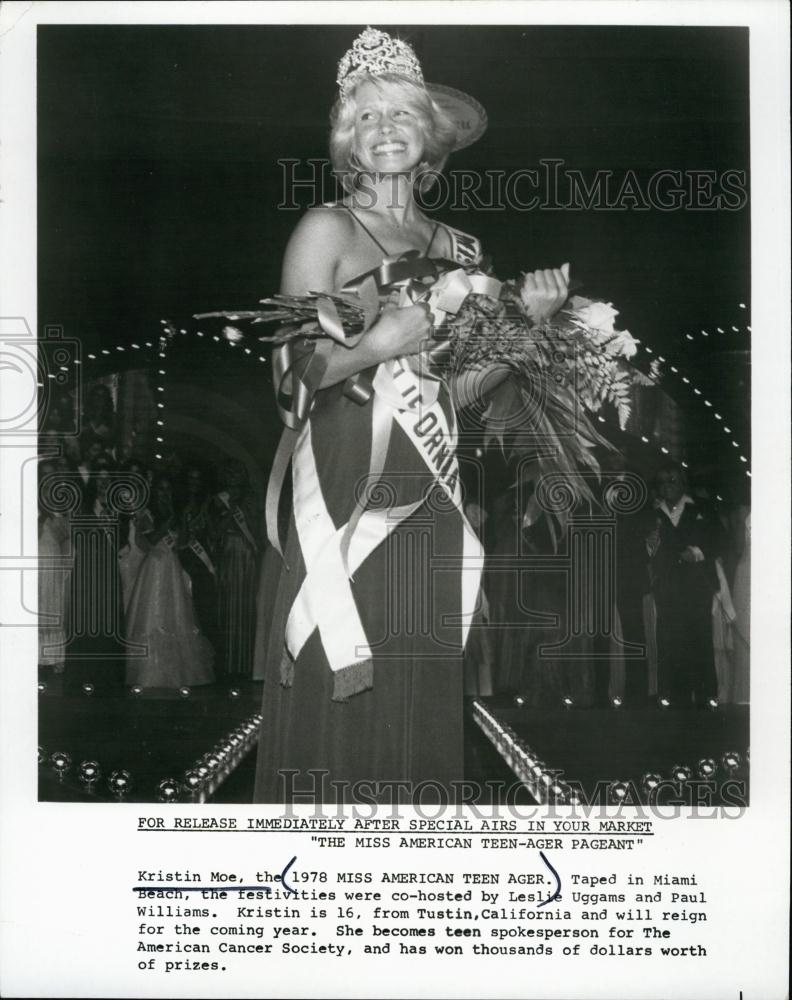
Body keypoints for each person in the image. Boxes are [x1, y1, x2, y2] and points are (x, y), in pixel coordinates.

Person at [253, 27, 570, 804]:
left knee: (415, 668)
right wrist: (377, 345)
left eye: (400, 114)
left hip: (426, 487)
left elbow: (454, 397)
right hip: (340, 481)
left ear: (427, 136)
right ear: (346, 139)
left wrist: (527, 328)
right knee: (340, 663)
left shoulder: (460, 247)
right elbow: (289, 376)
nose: (384, 128)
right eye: (366, 117)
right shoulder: (325, 229)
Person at [125, 474, 215, 689]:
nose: (165, 494)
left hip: (173, 567)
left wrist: (181, 522)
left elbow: (182, 543)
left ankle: (179, 673)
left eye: (168, 490)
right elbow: (147, 542)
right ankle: (149, 674)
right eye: (161, 490)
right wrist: (166, 523)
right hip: (155, 567)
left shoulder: (176, 513)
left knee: (178, 617)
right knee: (154, 617)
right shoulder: (147, 513)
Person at [645, 462, 722, 706]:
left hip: (697, 584)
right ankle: (673, 695)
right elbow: (642, 552)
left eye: (672, 481)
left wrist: (698, 552)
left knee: (699, 636)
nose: (667, 486)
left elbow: (722, 541)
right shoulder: (653, 515)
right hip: (667, 586)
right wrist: (649, 545)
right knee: (669, 638)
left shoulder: (701, 508)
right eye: (662, 482)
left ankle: (705, 695)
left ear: (683, 483)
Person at [211, 460, 259, 678]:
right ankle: (225, 664)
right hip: (226, 553)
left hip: (246, 554)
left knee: (245, 608)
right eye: (230, 473)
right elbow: (214, 530)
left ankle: (244, 664)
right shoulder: (217, 500)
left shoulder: (250, 500)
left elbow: (256, 528)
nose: (233, 477)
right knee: (225, 607)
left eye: (237, 474)